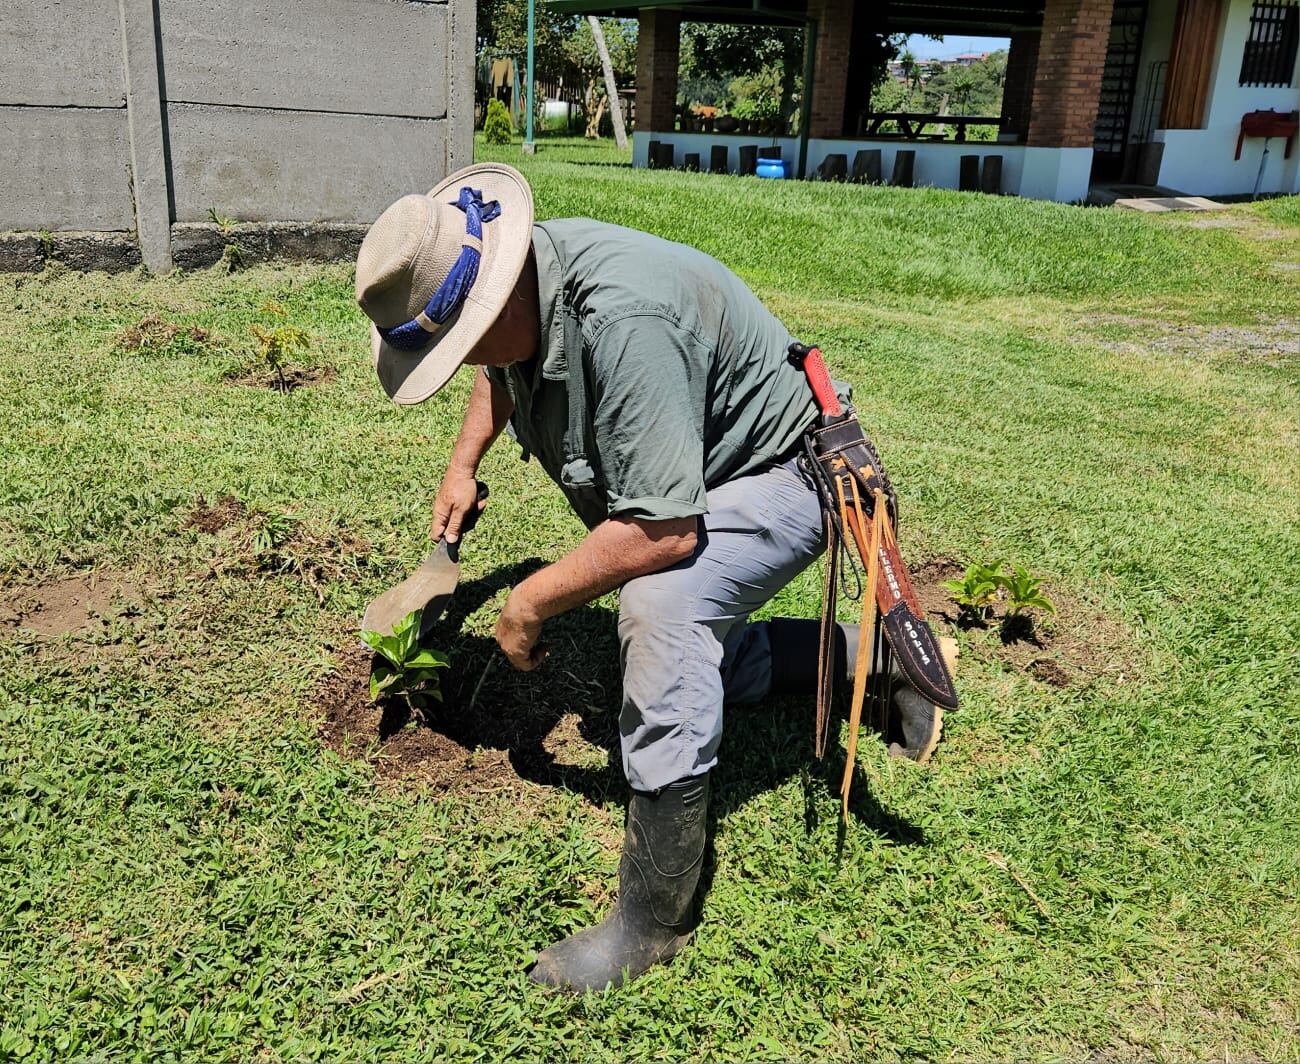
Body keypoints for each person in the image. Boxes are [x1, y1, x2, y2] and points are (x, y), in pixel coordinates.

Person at [354, 162, 944, 991]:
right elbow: (499, 371)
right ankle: (864, 660)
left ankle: (654, 917)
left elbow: (663, 535)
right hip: (701, 472)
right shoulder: (518, 285)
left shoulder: (622, 316)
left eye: (455, 348)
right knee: (701, 665)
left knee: (663, 606)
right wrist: (463, 465)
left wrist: (526, 604)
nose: (462, 366)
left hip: (789, 473)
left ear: (488, 301)